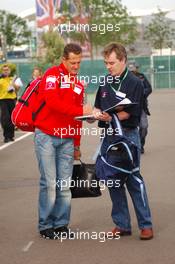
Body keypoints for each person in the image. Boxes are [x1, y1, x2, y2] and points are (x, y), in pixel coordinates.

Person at [93, 42, 153, 240]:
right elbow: (98, 108)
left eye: (111, 63)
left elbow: (132, 112)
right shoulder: (104, 82)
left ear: (123, 60)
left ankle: (146, 225)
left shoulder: (135, 82)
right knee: (113, 181)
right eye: (106, 63)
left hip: (128, 135)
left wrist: (113, 117)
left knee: (133, 179)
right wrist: (93, 115)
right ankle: (122, 224)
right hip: (108, 136)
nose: (108, 66)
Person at [34, 43, 92, 239]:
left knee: (64, 185)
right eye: (73, 62)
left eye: (79, 62)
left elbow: (78, 119)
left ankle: (61, 225)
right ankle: (45, 225)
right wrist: (81, 111)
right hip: (47, 136)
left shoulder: (78, 83)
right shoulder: (52, 75)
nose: (76, 66)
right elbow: (52, 102)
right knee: (49, 183)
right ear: (64, 60)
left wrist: (77, 144)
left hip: (67, 140)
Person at [129, 63, 152, 154]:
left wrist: (142, 94)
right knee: (130, 128)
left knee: (144, 127)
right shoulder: (124, 78)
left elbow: (149, 88)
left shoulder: (142, 77)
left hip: (141, 107)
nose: (132, 71)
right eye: (130, 69)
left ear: (137, 69)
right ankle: (134, 146)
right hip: (129, 108)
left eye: (134, 69)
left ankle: (140, 144)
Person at [0, 64, 23, 143]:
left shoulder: (12, 79)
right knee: (5, 119)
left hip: (12, 100)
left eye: (7, 70)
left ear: (9, 71)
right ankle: (6, 136)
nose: (6, 71)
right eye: (4, 70)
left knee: (12, 118)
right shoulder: (0, 80)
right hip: (3, 100)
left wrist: (12, 83)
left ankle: (11, 136)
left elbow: (17, 89)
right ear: (2, 71)